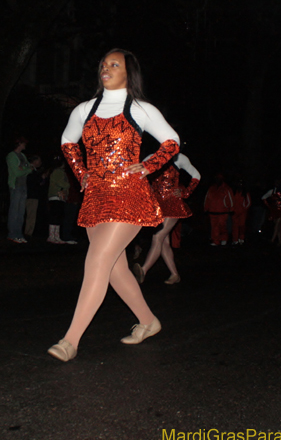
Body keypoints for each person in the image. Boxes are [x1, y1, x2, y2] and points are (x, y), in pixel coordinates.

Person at [47, 48, 180, 362]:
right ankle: (148, 322)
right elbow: (68, 142)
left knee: (97, 260)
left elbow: (172, 141)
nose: (106, 68)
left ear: (127, 72)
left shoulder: (140, 109)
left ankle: (70, 340)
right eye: (103, 64)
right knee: (114, 268)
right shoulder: (84, 109)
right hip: (96, 196)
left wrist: (148, 166)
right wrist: (81, 174)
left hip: (129, 194)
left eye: (114, 64)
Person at [131, 153, 200, 285]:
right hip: (158, 205)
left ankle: (143, 270)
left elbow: (196, 175)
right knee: (164, 242)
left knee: (158, 237)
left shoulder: (180, 158)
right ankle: (175, 275)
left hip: (173, 203)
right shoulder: (150, 158)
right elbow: (138, 177)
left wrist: (185, 192)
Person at [5, 136, 33, 243]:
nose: (25, 145)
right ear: (19, 144)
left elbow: (29, 168)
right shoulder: (11, 156)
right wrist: (26, 169)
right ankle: (12, 234)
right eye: (23, 143)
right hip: (15, 186)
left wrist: (25, 169)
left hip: (23, 186)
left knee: (21, 212)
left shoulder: (23, 156)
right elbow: (16, 173)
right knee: (14, 211)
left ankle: (19, 234)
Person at [204, 173, 233, 246]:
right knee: (214, 227)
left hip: (223, 211)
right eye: (217, 178)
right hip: (212, 211)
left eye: (219, 178)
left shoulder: (226, 188)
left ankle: (223, 239)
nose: (218, 180)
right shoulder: (211, 188)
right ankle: (215, 241)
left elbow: (230, 199)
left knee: (222, 226)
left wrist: (231, 209)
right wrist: (206, 208)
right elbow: (207, 199)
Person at [47, 155, 70, 244]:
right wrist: (67, 185)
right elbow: (61, 183)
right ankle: (52, 236)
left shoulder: (59, 171)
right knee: (55, 216)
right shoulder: (58, 172)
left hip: (59, 197)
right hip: (56, 196)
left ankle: (56, 236)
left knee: (58, 217)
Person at [24, 154, 46, 240]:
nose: (40, 162)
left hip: (33, 195)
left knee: (31, 215)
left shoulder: (35, 170)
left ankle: (29, 232)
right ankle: (28, 233)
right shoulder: (31, 170)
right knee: (31, 215)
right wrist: (41, 178)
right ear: (34, 161)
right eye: (39, 160)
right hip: (31, 195)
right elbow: (33, 182)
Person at [231, 178, 251, 245]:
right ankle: (235, 240)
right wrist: (232, 209)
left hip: (242, 212)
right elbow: (231, 201)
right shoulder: (234, 192)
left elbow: (248, 202)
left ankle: (241, 238)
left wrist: (244, 209)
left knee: (242, 226)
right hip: (235, 212)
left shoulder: (245, 193)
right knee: (235, 226)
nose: (240, 185)